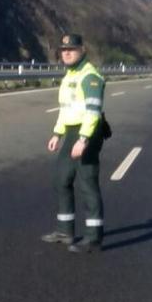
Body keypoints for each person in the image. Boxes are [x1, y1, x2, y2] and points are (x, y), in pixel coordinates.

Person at [40, 33, 106, 253]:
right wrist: (57, 134)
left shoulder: (90, 76)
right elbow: (66, 109)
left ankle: (93, 237)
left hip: (87, 133)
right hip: (70, 132)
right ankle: (65, 231)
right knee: (62, 179)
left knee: (87, 184)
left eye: (71, 49)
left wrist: (83, 139)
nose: (66, 53)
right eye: (63, 50)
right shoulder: (70, 76)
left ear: (82, 50)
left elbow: (93, 112)